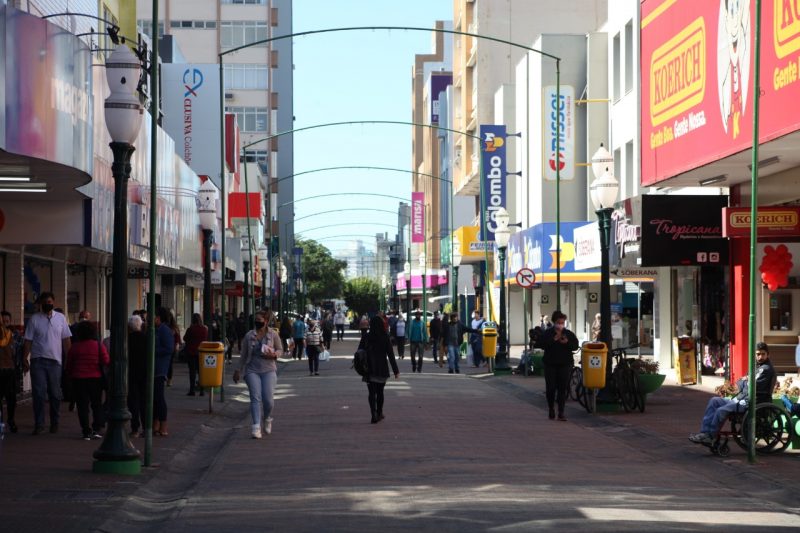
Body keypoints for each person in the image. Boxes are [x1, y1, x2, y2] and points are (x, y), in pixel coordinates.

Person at [689, 342, 776, 444]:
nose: (760, 357)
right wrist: (745, 381)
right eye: (758, 354)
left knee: (721, 410)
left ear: (768, 354)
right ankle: (704, 433)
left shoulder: (766, 369)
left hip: (750, 402)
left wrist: (745, 381)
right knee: (714, 401)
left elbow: (750, 386)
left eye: (763, 354)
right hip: (740, 398)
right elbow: (740, 382)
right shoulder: (756, 367)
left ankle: (710, 435)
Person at [22, 293, 72, 435]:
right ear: (40, 304)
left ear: (54, 302)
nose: (47, 304)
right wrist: (25, 358)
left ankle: (54, 422)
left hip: (55, 362)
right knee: (38, 394)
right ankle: (39, 424)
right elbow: (28, 340)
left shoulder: (61, 318)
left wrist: (69, 358)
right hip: (38, 361)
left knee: (55, 394)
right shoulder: (34, 319)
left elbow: (66, 340)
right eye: (44, 302)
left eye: (49, 301)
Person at [234, 311, 282, 439]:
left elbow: (280, 349)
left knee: (268, 400)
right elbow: (243, 354)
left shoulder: (273, 334)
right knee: (255, 397)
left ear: (266, 321)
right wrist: (238, 370)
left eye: (260, 319)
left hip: (269, 369)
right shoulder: (249, 335)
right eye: (256, 319)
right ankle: (256, 426)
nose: (257, 322)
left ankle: (267, 418)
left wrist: (274, 354)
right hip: (252, 369)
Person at [65, 321, 109, 440]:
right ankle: (96, 429)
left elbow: (69, 365)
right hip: (95, 379)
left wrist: (69, 376)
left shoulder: (75, 347)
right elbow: (106, 361)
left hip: (79, 379)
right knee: (97, 405)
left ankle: (86, 430)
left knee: (82, 406)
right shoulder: (99, 345)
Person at [536, 310, 579, 421]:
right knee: (550, 388)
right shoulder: (548, 333)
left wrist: (567, 343)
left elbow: (575, 346)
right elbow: (540, 344)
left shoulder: (568, 333)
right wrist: (553, 339)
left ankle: (561, 412)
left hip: (565, 364)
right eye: (559, 322)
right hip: (550, 364)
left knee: (562, 388)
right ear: (554, 322)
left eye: (562, 322)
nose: (561, 325)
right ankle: (551, 408)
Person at [358, 315, 399, 423]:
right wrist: (396, 371)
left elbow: (359, 352)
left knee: (371, 392)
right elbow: (390, 355)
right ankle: (379, 412)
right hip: (382, 369)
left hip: (369, 369)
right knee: (380, 392)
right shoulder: (385, 337)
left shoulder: (366, 337)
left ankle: (373, 414)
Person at [154, 308, 173, 436]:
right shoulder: (157, 329)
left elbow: (168, 348)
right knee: (154, 397)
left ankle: (163, 425)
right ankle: (155, 423)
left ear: (159, 318)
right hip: (154, 368)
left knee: (159, 397)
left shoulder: (164, 330)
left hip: (159, 368)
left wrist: (153, 350)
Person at [127, 315, 147, 437]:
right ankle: (146, 428)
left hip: (132, 373)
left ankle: (135, 428)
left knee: (133, 401)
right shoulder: (147, 338)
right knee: (144, 401)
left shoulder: (128, 339)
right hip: (145, 373)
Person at [0, 315, 18, 433]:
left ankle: (10, 420)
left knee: (11, 398)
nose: (5, 323)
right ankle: (2, 421)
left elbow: (16, 352)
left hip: (10, 370)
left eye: (7, 321)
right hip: (2, 369)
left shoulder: (13, 335)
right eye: (3, 321)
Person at [183, 313, 208, 396]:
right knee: (201, 372)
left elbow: (185, 338)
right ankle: (202, 390)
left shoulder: (191, 329)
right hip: (201, 353)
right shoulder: (204, 329)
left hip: (191, 352)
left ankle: (192, 390)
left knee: (192, 372)